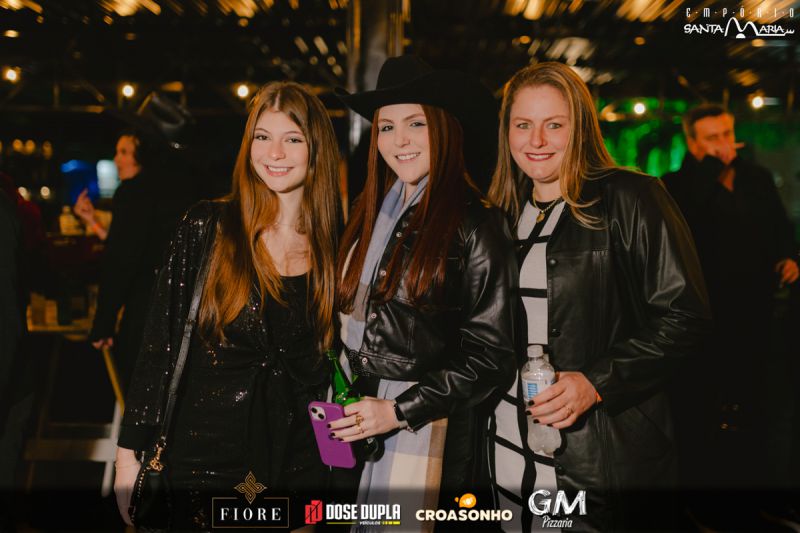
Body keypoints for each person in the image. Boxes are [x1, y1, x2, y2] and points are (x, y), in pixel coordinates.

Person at [486, 62, 710, 531]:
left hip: (595, 461)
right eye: (523, 125)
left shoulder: (631, 197)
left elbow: (685, 316)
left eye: (554, 125)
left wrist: (595, 381)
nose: (536, 140)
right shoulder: (502, 214)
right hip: (507, 447)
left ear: (581, 129)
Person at [113, 81, 341, 530]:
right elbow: (158, 344)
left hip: (298, 460)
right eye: (262, 136)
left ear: (316, 149)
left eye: (292, 139)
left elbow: (329, 366)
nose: (274, 152)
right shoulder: (209, 227)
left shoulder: (335, 247)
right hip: (203, 457)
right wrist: (127, 455)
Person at [329, 55, 518, 525]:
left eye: (416, 124)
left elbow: (491, 358)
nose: (399, 141)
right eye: (386, 127)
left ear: (445, 129)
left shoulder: (477, 223)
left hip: (427, 430)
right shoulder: (371, 211)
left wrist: (398, 410)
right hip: (354, 417)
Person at [661, 105, 799, 515]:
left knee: (759, 400)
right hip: (706, 314)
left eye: (726, 133)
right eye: (712, 137)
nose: (724, 144)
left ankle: (759, 493)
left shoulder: (756, 178)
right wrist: (710, 170)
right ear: (693, 143)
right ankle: (702, 498)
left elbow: (779, 228)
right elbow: (686, 229)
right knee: (703, 403)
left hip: (757, 308)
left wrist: (789, 257)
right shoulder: (676, 184)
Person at [86, 130, 195, 394]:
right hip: (182, 311)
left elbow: (121, 261)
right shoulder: (176, 191)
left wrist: (104, 323)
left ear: (142, 157)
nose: (116, 159)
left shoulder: (132, 194)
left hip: (145, 313)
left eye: (124, 152)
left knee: (139, 393)